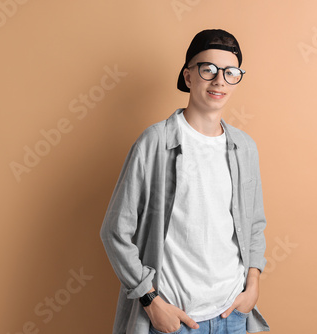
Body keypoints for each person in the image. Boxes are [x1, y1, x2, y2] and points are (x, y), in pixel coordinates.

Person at [100, 29, 270, 334]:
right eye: (208, 69)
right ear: (189, 77)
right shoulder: (155, 142)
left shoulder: (244, 147)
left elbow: (254, 225)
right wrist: (151, 301)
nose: (219, 80)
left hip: (233, 315)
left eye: (230, 72)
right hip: (174, 319)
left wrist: (253, 286)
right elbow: (114, 231)